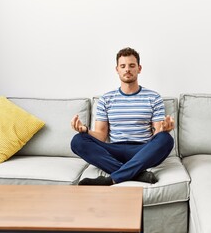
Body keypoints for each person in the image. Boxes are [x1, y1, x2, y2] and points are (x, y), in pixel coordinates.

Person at [70, 47, 174, 185]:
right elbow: (101, 135)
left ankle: (111, 179)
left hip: (142, 151)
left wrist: (164, 130)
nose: (127, 70)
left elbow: (157, 134)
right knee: (78, 140)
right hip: (114, 150)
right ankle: (136, 175)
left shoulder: (153, 97)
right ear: (117, 69)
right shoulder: (106, 99)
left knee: (166, 139)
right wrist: (85, 130)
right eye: (123, 66)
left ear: (139, 68)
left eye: (132, 65)